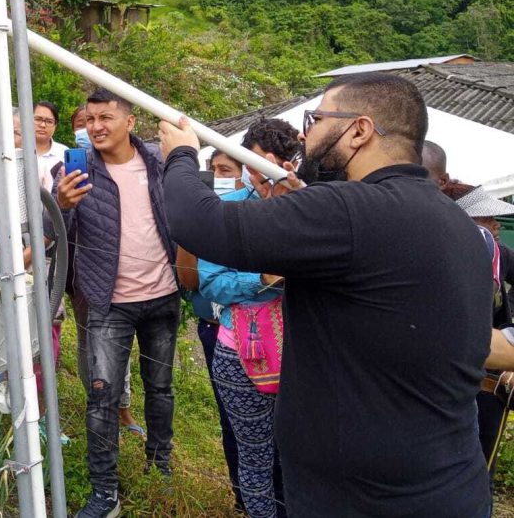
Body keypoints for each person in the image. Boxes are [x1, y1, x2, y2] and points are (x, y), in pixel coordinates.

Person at [158, 72, 491, 517]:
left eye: (315, 119)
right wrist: (307, 205)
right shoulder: (459, 228)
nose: (304, 133)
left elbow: (200, 224)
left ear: (359, 130)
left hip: (363, 499)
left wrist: (181, 155)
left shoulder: (346, 211)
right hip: (449, 483)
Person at [56, 88, 181, 518]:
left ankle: (158, 465)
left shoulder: (159, 163)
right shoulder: (75, 168)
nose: (96, 127)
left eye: (106, 117)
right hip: (108, 303)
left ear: (130, 122)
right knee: (102, 396)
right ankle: (105, 493)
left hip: (164, 295)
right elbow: (52, 233)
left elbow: (189, 212)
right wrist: (61, 205)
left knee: (160, 388)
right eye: (90, 119)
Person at [198, 119, 298, 518]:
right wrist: (263, 278)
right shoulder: (228, 212)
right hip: (241, 354)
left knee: (301, 456)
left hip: (304, 355)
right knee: (254, 456)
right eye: (252, 165)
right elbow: (211, 283)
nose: (260, 176)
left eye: (271, 166)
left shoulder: (312, 207)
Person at [177, 149, 245, 513]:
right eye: (213, 170)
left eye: (226, 170)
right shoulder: (204, 219)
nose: (218, 176)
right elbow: (188, 281)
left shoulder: (256, 218)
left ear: (245, 175)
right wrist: (192, 230)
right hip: (214, 330)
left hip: (260, 333)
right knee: (230, 418)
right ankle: (241, 497)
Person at [443, 181, 514, 476]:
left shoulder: (500, 256)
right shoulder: (437, 256)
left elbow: (503, 314)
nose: (495, 225)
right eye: (486, 218)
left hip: (486, 386)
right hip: (442, 388)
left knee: (479, 472)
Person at [33, 100, 68, 171]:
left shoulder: (64, 153)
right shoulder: (18, 151)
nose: (42, 125)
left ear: (55, 125)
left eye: (49, 121)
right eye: (38, 119)